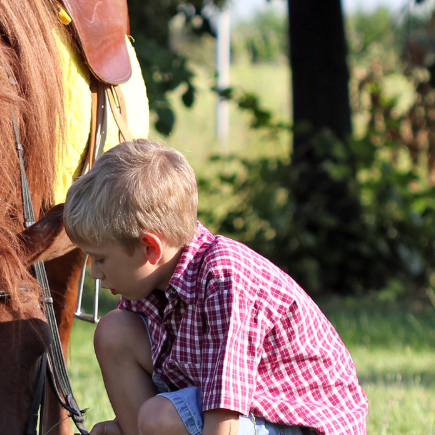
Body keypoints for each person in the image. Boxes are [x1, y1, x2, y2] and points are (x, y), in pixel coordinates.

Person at [62, 140, 368, 435]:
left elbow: (225, 416)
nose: (95, 273)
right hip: (244, 416)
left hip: (301, 425)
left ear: (150, 249)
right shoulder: (149, 285)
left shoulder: (224, 279)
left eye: (100, 259)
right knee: (114, 330)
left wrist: (153, 424)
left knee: (161, 417)